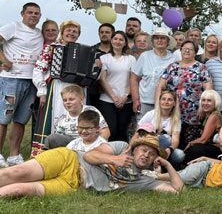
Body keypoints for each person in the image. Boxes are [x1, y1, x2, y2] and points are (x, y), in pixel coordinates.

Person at [0, 132, 183, 197]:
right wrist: (114, 159)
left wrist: (167, 164)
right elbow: (89, 155)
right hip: (69, 160)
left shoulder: (144, 181)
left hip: (74, 185)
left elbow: (178, 190)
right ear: (135, 150)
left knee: (19, 189)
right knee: (17, 173)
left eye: (152, 154)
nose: (146, 155)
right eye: (144, 150)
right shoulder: (120, 147)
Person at [32, 21, 86, 155]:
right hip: (57, 88)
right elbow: (38, 69)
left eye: (75, 31)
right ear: (62, 32)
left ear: (78, 35)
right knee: (55, 119)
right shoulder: (51, 48)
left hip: (76, 90)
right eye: (68, 30)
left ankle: (73, 152)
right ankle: (48, 153)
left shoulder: (83, 51)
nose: (71, 33)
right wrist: (42, 91)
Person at [0, 2, 44, 167]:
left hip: (31, 81)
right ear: (22, 14)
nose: (33, 15)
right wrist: (4, 60)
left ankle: (14, 155)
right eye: (30, 12)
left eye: (36, 13)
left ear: (40, 16)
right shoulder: (13, 27)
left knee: (21, 120)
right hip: (11, 79)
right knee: (3, 118)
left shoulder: (39, 33)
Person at [156, 39, 212, 147]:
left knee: (189, 145)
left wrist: (203, 107)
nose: (187, 51)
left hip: (194, 113)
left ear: (195, 52)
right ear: (180, 50)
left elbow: (208, 89)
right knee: (170, 141)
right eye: (184, 49)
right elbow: (160, 86)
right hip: (172, 111)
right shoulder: (172, 67)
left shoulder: (201, 68)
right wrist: (158, 105)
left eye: (190, 49)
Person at [41, 84, 110, 149]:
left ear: (81, 99)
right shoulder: (62, 119)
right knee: (52, 138)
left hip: (91, 144)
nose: (67, 102)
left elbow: (105, 131)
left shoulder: (91, 111)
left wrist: (94, 146)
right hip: (71, 146)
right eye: (64, 100)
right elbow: (58, 138)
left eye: (71, 99)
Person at [97, 30, 136, 141]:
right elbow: (102, 79)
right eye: (115, 39)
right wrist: (114, 98)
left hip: (126, 101)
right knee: (111, 129)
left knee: (122, 130)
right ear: (111, 40)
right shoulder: (104, 58)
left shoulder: (131, 59)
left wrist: (125, 97)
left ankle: (121, 151)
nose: (118, 42)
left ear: (125, 43)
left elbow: (132, 79)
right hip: (107, 100)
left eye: (121, 39)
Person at [130, 27, 176, 118]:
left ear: (168, 42)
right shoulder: (145, 56)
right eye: (156, 38)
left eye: (163, 38)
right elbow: (134, 78)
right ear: (153, 41)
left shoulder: (174, 58)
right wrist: (136, 100)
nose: (159, 40)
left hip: (166, 103)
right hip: (145, 102)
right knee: (143, 126)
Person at [134, 90, 183, 164]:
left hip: (164, 149)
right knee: (167, 138)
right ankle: (153, 160)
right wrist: (131, 147)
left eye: (170, 100)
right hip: (147, 145)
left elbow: (175, 140)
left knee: (180, 155)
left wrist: (169, 149)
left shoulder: (176, 119)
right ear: (159, 101)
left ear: (174, 103)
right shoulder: (151, 114)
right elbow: (137, 133)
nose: (166, 102)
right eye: (163, 99)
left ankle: (160, 162)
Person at [182, 90, 222, 164]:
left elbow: (203, 140)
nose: (205, 103)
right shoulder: (208, 114)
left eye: (209, 101)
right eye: (203, 100)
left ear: (215, 102)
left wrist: (190, 143)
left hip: (217, 149)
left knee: (193, 150)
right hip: (210, 146)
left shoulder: (214, 116)